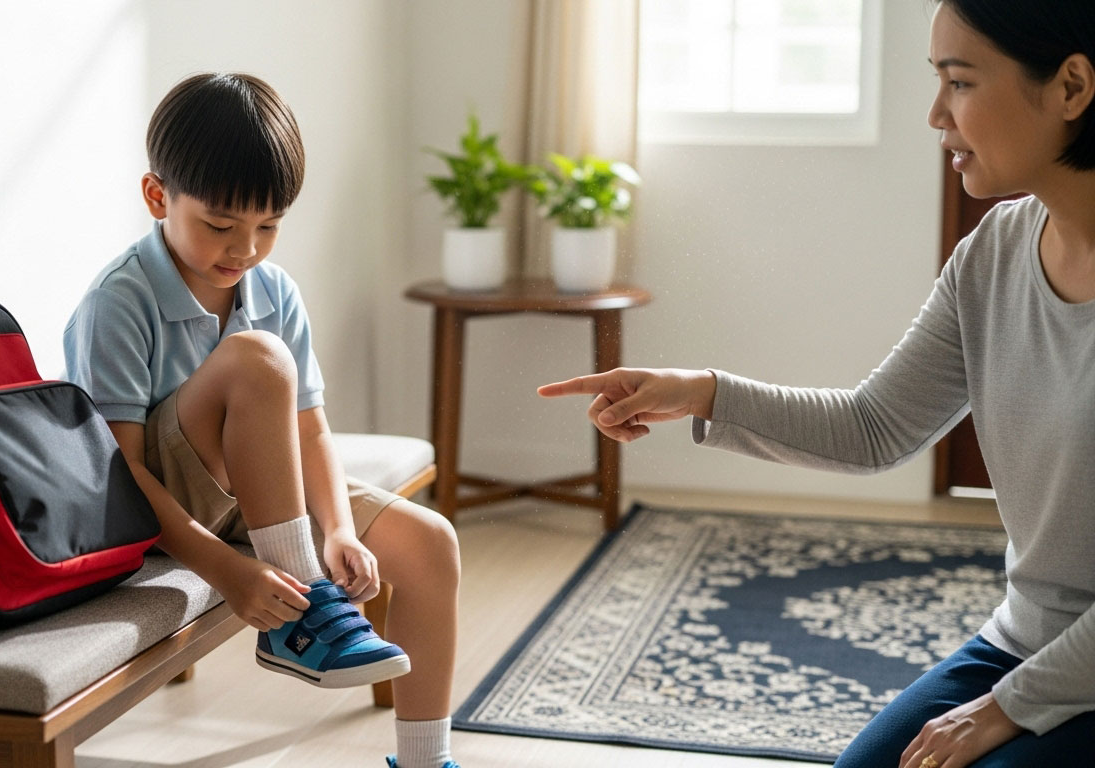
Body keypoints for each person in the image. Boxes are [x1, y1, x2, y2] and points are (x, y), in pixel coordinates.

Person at [539, 1, 1095, 766]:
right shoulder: (993, 253)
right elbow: (875, 428)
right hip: (1027, 641)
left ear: (1072, 86)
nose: (936, 114)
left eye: (960, 83)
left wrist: (1005, 710)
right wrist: (702, 391)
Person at [63, 73, 462, 768]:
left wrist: (339, 526)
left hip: (254, 500)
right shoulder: (120, 300)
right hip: (158, 510)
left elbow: (310, 429)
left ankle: (425, 762)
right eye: (220, 225)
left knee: (430, 544)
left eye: (268, 226)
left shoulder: (273, 289)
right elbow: (117, 474)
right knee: (258, 361)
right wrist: (228, 573)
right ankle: (301, 611)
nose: (244, 249)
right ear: (158, 195)